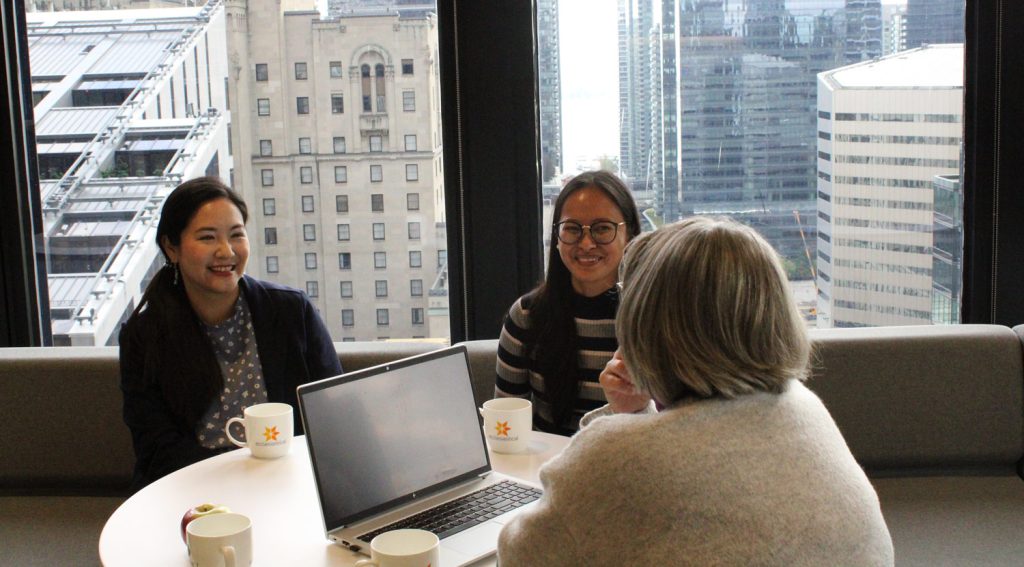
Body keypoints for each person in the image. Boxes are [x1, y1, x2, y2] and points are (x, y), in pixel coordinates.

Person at [498, 217, 894, 566]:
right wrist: (633, 415)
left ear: (649, 327)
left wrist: (623, 428)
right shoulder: (804, 408)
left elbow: (521, 557)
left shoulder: (616, 458)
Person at [119, 176, 342, 491]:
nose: (226, 251)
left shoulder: (290, 312)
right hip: (192, 494)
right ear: (172, 247)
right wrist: (240, 482)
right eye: (207, 238)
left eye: (236, 235)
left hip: (288, 483)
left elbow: (331, 414)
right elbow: (156, 448)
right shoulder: (145, 336)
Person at [495, 170, 642, 435]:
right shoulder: (527, 316)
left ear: (629, 233)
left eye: (602, 229)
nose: (586, 244)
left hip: (630, 467)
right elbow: (506, 428)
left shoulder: (653, 319)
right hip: (546, 471)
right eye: (572, 229)